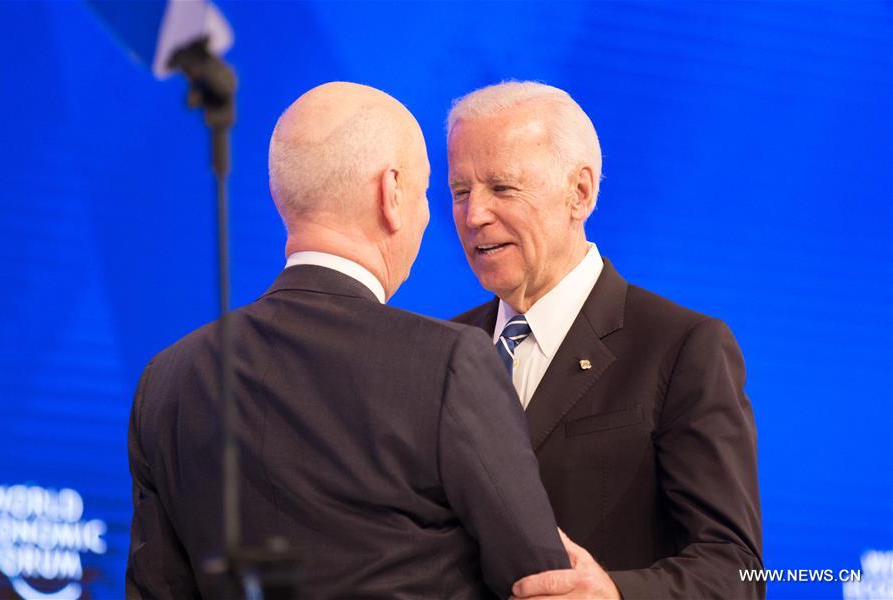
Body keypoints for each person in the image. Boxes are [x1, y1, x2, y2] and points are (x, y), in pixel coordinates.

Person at [126, 81, 569, 599]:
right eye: (429, 192)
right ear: (392, 194)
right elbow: (543, 584)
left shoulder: (169, 379)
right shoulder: (449, 362)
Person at [447, 81, 764, 599]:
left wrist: (615, 595)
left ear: (580, 193)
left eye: (502, 188)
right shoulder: (442, 350)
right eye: (461, 191)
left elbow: (736, 572)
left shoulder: (682, 347)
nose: (473, 214)